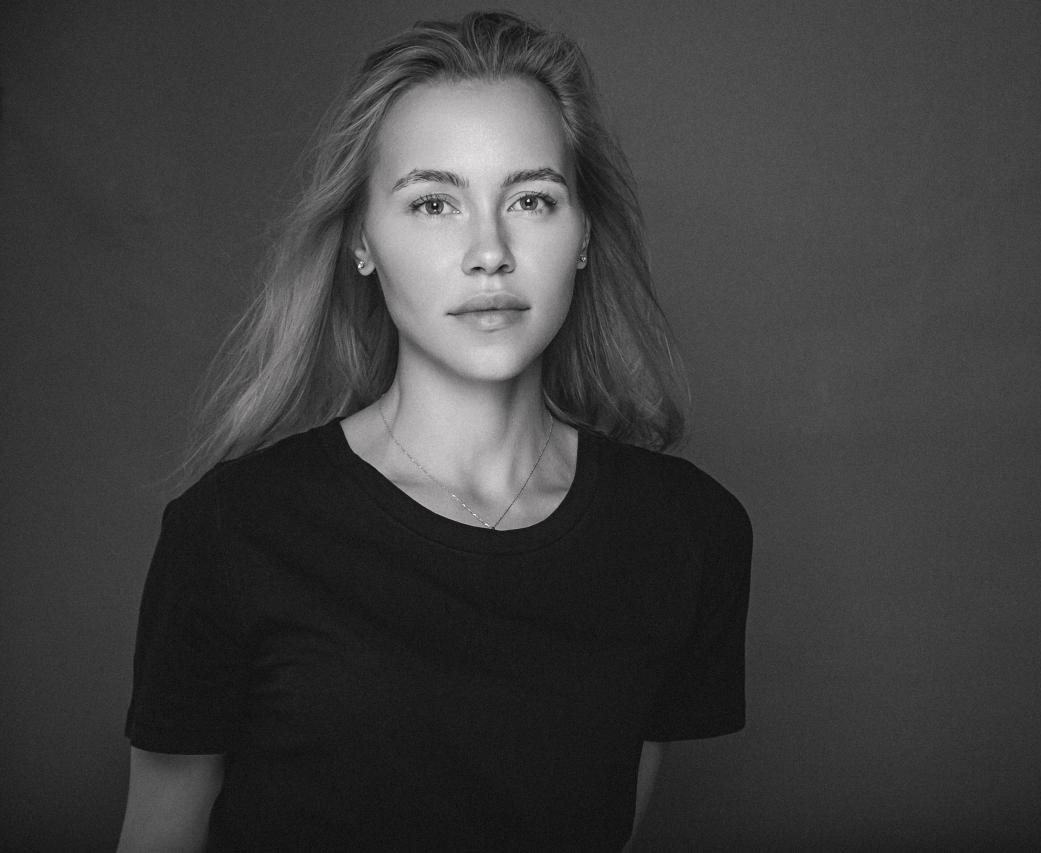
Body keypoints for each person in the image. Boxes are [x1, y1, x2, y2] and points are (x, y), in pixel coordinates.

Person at [117, 11, 752, 852]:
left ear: (585, 233)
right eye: (433, 203)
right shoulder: (233, 531)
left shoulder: (689, 532)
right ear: (362, 241)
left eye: (531, 199)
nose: (489, 251)